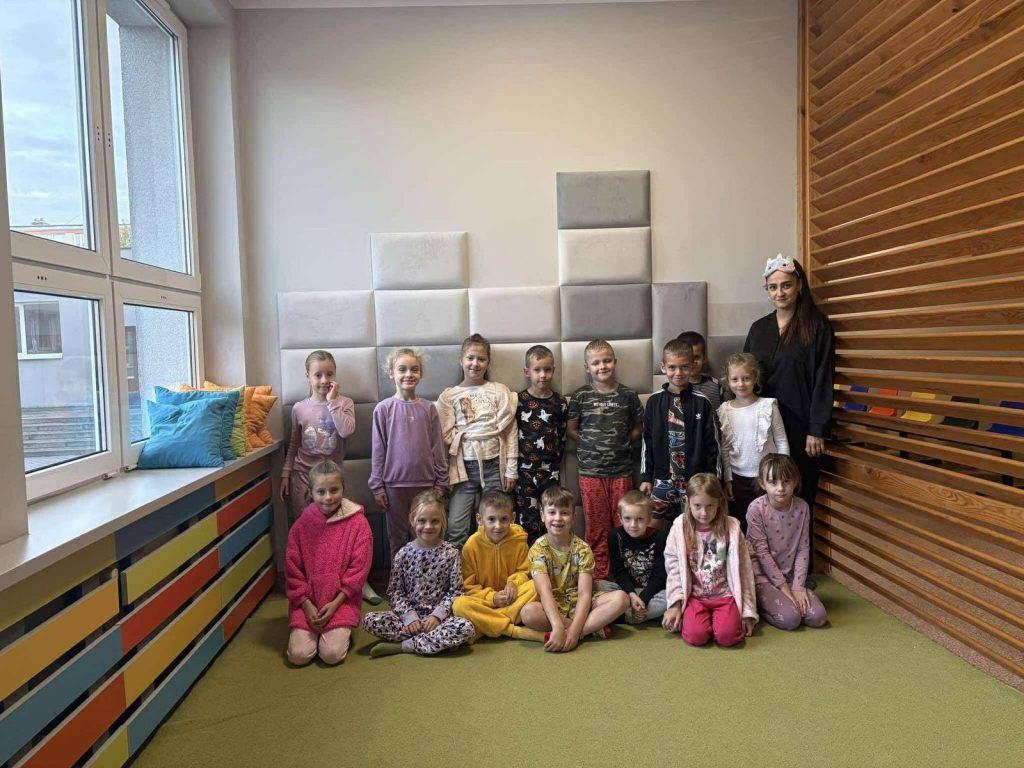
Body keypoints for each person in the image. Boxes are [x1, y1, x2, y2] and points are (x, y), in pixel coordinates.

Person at [281, 350, 380, 603]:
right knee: (307, 533)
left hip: (332, 479)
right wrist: (285, 474)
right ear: (307, 376)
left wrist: (332, 401)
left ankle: (356, 581)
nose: (324, 380)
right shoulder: (299, 408)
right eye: (318, 375)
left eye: (329, 374)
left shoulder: (344, 403)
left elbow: (346, 431)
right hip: (304, 477)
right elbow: (294, 444)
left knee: (341, 532)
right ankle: (310, 584)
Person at [743, 254, 834, 516]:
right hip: (762, 427)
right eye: (773, 287)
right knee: (762, 501)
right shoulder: (759, 328)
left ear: (799, 285)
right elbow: (743, 375)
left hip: (800, 428)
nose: (779, 293)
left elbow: (824, 379)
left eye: (786, 285)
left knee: (798, 501)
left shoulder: (817, 327)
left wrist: (817, 428)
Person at [361, 490, 475, 657]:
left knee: (466, 628)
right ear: (412, 520)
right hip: (408, 619)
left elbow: (456, 592)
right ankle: (433, 642)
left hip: (440, 620)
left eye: (434, 521)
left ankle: (405, 646)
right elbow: (395, 592)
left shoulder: (451, 553)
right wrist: (409, 617)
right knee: (370, 620)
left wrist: (437, 617)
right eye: (422, 521)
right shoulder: (403, 554)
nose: (428, 526)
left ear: (442, 522)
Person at [567, 339, 644, 579]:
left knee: (624, 523)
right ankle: (599, 575)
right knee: (596, 526)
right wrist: (590, 443)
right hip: (590, 472)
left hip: (622, 471)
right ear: (587, 367)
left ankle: (626, 573)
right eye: (596, 363)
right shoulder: (580, 396)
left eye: (607, 361)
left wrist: (623, 441)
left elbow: (639, 425)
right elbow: (571, 428)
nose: (602, 366)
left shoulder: (628, 395)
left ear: (615, 362)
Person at [519, 486, 629, 652]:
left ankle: (577, 633)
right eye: (552, 512)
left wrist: (575, 632)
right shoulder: (537, 549)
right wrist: (557, 625)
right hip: (554, 604)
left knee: (622, 599)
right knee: (528, 613)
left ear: (573, 517)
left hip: (580, 602)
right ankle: (592, 628)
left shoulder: (582, 549)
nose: (558, 518)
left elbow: (585, 593)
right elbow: (545, 592)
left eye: (564, 513)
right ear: (542, 516)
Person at [284, 461, 373, 666]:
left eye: (334, 490)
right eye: (321, 492)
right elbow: (293, 571)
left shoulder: (359, 524)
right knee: (298, 656)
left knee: (331, 655)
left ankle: (341, 630)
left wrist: (335, 604)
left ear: (343, 489)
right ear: (311, 493)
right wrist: (306, 604)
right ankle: (313, 633)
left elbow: (358, 570)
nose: (328, 497)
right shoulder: (300, 527)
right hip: (307, 603)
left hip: (341, 602)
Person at [436, 334, 519, 548]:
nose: (475, 363)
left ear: (488, 362)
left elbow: (510, 431)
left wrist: (511, 469)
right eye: (470, 358)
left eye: (481, 359)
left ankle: (492, 565)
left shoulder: (498, 391)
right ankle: (457, 567)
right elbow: (443, 436)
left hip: (494, 465)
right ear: (461, 360)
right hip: (463, 468)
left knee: (496, 523)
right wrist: (442, 474)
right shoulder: (449, 396)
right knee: (456, 526)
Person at [370, 347, 448, 560]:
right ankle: (398, 577)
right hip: (394, 486)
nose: (408, 374)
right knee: (397, 536)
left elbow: (437, 447)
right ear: (391, 373)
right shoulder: (383, 409)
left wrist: (441, 482)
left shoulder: (428, 408)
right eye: (402, 369)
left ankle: (426, 575)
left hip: (426, 485)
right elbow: (378, 450)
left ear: (420, 373)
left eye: (414, 369)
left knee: (426, 535)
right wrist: (377, 486)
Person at [663, 473, 758, 647]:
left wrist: (747, 612)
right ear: (688, 501)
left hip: (725, 596)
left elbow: (744, 571)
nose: (704, 513)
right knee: (696, 637)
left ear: (719, 502)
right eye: (697, 506)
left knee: (728, 637)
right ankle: (699, 621)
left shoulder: (731, 528)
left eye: (710, 506)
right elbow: (674, 568)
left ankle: (722, 623)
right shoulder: (679, 528)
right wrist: (675, 604)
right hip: (695, 598)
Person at [639, 338, 721, 527]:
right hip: (662, 478)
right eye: (672, 367)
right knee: (651, 526)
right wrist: (646, 477)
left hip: (695, 481)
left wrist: (714, 479)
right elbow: (647, 442)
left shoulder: (702, 402)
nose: (678, 373)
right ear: (663, 367)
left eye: (684, 367)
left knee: (693, 527)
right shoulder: (654, 402)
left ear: (693, 367)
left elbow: (713, 444)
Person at [746, 454, 827, 630]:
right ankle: (760, 604)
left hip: (790, 577)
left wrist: (798, 587)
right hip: (763, 578)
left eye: (786, 481)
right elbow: (761, 553)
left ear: (795, 481)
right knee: (791, 619)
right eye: (773, 482)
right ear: (762, 484)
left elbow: (803, 548)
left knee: (818, 617)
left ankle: (787, 597)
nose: (780, 488)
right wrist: (784, 589)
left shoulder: (802, 507)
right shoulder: (756, 509)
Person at [452, 490, 542, 641]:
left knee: (537, 585)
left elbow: (525, 571)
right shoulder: (471, 546)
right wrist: (492, 598)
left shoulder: (519, 541)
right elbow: (468, 587)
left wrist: (513, 583)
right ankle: (513, 630)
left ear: (513, 518)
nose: (498, 526)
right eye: (491, 519)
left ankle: (487, 623)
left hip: (512, 600)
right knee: (459, 605)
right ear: (480, 520)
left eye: (504, 519)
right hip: (485, 602)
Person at [718, 352, 789, 532]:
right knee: (742, 525)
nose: (741, 384)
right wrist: (728, 480)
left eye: (746, 378)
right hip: (738, 479)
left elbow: (781, 441)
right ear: (728, 381)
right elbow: (725, 449)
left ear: (755, 378)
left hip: (768, 478)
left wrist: (781, 474)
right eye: (735, 379)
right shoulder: (724, 411)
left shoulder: (768, 406)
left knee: (770, 525)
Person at [515, 345, 568, 544]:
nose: (543, 375)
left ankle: (551, 556)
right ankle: (529, 560)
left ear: (553, 370)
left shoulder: (559, 402)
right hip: (524, 472)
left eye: (547, 369)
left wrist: (556, 466)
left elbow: (562, 436)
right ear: (527, 371)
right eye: (537, 370)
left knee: (552, 516)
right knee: (527, 521)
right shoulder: (519, 401)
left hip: (550, 472)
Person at [605, 491, 667, 624]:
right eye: (627, 519)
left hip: (652, 592)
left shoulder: (660, 537)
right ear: (620, 518)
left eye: (639, 519)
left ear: (649, 519)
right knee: (599, 586)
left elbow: (660, 577)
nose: (633, 525)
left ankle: (619, 615)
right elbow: (618, 571)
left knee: (670, 598)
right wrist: (632, 595)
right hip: (625, 591)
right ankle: (645, 615)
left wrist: (643, 599)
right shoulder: (614, 536)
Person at [675, 330, 722, 411]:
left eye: (696, 357)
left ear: (704, 359)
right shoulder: (672, 387)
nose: (691, 363)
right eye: (686, 357)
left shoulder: (715, 385)